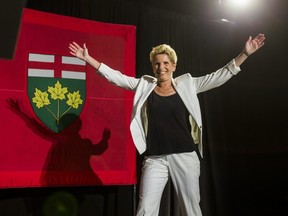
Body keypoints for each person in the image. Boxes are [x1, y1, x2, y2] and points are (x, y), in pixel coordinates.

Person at [69, 33, 265, 216]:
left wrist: (244, 54)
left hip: (185, 156)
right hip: (155, 159)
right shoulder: (144, 86)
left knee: (190, 210)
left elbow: (218, 76)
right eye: (156, 64)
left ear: (173, 66)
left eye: (165, 63)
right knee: (145, 210)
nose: (160, 67)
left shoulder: (188, 84)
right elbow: (117, 78)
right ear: (152, 67)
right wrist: (89, 59)